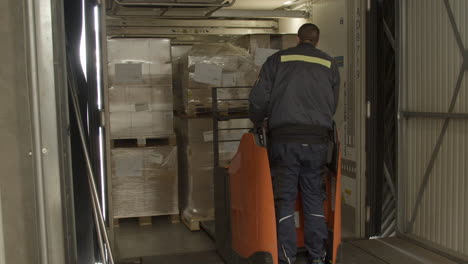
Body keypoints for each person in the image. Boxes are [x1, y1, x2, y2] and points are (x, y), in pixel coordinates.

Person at [249, 23, 340, 264]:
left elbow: (259, 97)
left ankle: (287, 257)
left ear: (298, 38)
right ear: (317, 40)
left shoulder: (278, 59)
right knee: (313, 197)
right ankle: (318, 256)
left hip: (285, 141)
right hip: (317, 142)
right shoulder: (329, 64)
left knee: (285, 199)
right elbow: (333, 104)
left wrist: (257, 121)